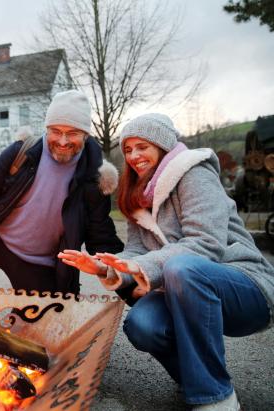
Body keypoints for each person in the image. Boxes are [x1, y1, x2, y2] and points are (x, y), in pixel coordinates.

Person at [59, 113, 274, 410]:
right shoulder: (136, 193)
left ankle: (216, 398)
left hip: (244, 286)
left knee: (180, 267)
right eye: (128, 150)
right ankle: (198, 378)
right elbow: (136, 252)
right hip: (184, 289)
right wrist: (104, 267)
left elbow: (205, 244)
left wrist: (146, 266)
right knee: (142, 324)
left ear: (161, 145)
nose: (134, 156)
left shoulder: (194, 173)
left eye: (142, 147)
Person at [0, 90, 123, 294]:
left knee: (40, 321)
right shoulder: (22, 153)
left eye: (72, 133)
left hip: (39, 262)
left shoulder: (95, 176)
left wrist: (125, 275)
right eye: (56, 131)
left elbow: (100, 233)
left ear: (85, 134)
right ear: (47, 129)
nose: (63, 141)